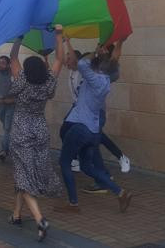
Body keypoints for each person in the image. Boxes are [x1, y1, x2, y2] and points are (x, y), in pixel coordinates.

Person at [55, 39, 133, 214]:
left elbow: (82, 62)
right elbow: (114, 60)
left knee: (65, 162)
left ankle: (73, 203)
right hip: (93, 131)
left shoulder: (94, 77)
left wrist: (96, 51)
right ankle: (120, 192)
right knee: (87, 166)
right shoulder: (107, 79)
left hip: (80, 127)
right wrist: (119, 44)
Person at [6, 28, 65, 242]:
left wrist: (18, 37)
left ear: (27, 70)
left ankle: (40, 219)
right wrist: (59, 37)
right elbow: (60, 58)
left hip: (21, 131)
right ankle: (16, 215)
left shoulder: (21, 82)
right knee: (24, 174)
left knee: (24, 177)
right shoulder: (49, 82)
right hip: (40, 130)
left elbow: (12, 57)